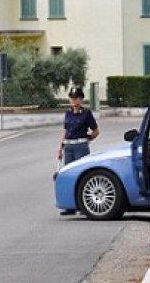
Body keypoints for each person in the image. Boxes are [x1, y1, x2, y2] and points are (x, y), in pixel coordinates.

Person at [57, 86, 99, 215]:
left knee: (82, 175)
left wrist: (86, 139)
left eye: (76, 98)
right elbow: (65, 130)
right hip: (68, 147)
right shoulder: (68, 113)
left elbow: (96, 131)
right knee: (68, 175)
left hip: (81, 147)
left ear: (81, 100)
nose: (74, 100)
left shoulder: (86, 113)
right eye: (72, 98)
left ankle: (83, 206)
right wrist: (60, 148)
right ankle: (70, 206)